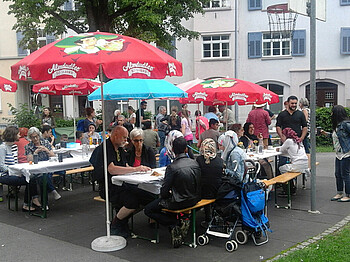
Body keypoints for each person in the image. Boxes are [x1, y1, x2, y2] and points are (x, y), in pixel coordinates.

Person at [90, 126, 154, 238]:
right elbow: (112, 169)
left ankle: (123, 222)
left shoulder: (119, 149)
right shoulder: (105, 148)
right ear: (115, 135)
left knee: (145, 195)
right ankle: (116, 224)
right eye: (124, 138)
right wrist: (136, 169)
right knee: (132, 201)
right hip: (108, 186)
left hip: (121, 184)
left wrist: (139, 171)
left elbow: (126, 166)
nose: (126, 140)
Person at [144, 137, 201, 248]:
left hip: (178, 202)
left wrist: (166, 194)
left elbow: (164, 192)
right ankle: (177, 222)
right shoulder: (195, 163)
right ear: (186, 149)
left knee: (148, 209)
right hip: (194, 199)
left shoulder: (172, 167)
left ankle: (173, 224)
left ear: (173, 150)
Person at [0, 126, 41, 211]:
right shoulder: (2, 148)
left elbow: (15, 163)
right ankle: (28, 204)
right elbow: (1, 165)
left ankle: (32, 201)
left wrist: (20, 171)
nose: (19, 136)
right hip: (4, 175)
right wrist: (15, 172)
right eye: (18, 134)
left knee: (32, 177)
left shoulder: (14, 146)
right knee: (30, 180)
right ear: (13, 135)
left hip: (14, 173)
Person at [276, 95, 307, 192]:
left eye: (295, 103)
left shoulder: (300, 114)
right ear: (287, 103)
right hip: (286, 143)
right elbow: (278, 126)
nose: (294, 105)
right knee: (282, 162)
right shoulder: (282, 114)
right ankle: (285, 186)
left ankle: (290, 186)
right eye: (292, 103)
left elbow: (305, 127)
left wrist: (301, 138)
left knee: (293, 163)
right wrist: (282, 137)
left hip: (296, 143)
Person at [321, 105, 350, 202]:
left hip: (346, 153)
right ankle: (339, 192)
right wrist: (325, 134)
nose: (331, 114)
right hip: (338, 154)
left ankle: (348, 195)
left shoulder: (345, 124)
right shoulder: (337, 125)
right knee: (338, 174)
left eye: (332, 112)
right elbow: (337, 137)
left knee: (345, 174)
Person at [25, 127, 61, 202]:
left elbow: (53, 155)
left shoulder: (45, 142)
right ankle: (52, 191)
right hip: (36, 168)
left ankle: (45, 203)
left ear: (39, 135)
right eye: (33, 137)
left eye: (36, 136)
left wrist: (46, 150)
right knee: (42, 176)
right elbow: (29, 159)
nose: (35, 139)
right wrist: (35, 152)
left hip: (48, 166)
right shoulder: (28, 146)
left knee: (44, 177)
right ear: (30, 138)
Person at [196, 138, 224, 224]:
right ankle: (215, 215)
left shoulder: (199, 160)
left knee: (204, 185)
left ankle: (208, 217)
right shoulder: (220, 160)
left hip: (203, 193)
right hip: (218, 191)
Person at [277, 128, 309, 196]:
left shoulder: (288, 141)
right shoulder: (298, 140)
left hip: (298, 165)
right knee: (287, 168)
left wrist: (278, 148)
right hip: (305, 164)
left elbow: (281, 150)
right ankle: (292, 187)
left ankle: (288, 189)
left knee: (281, 168)